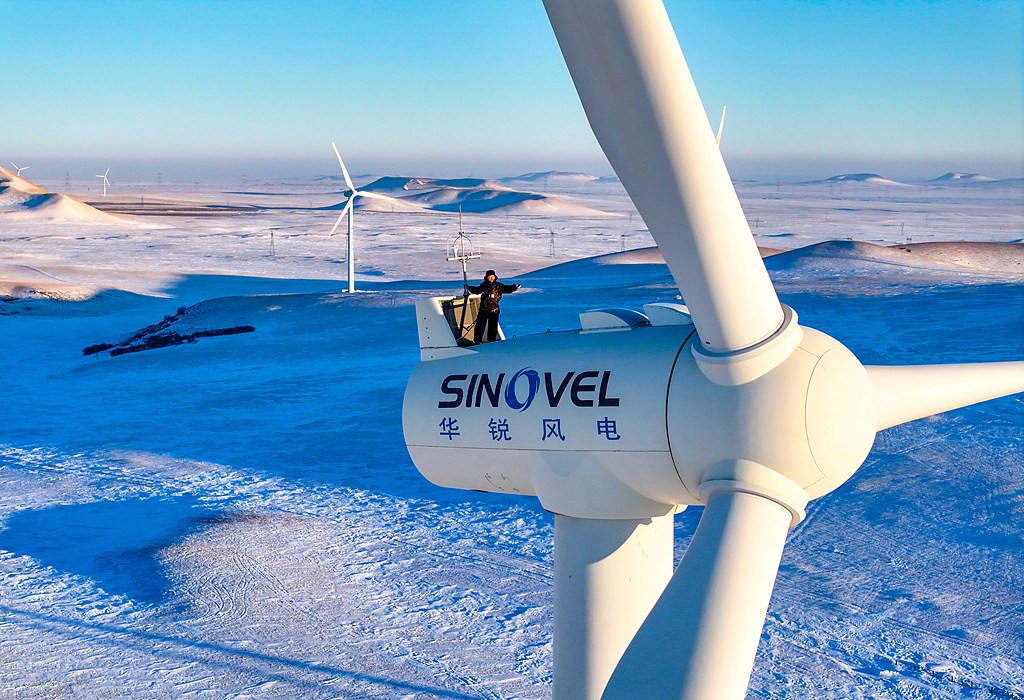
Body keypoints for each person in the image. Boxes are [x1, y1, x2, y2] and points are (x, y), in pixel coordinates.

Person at [466, 269, 520, 345]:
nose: (491, 278)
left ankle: (492, 341)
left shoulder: (498, 286)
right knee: (480, 326)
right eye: (490, 277)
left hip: (494, 310)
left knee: (493, 327)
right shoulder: (483, 285)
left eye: (492, 276)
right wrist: (469, 288)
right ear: (486, 277)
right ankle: (477, 341)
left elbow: (506, 289)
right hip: (483, 309)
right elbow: (477, 290)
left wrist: (514, 287)